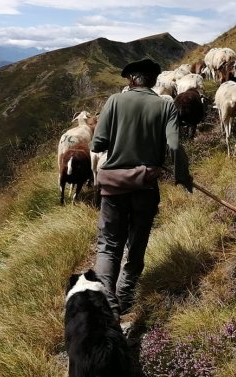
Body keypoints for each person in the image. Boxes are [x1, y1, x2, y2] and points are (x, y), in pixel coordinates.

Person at [90, 58, 194, 320]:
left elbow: (98, 143)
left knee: (109, 245)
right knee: (137, 243)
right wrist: (182, 176)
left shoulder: (114, 101)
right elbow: (173, 145)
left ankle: (107, 303)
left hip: (113, 187)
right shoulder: (166, 106)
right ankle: (125, 297)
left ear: (131, 80)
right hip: (145, 186)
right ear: (154, 81)